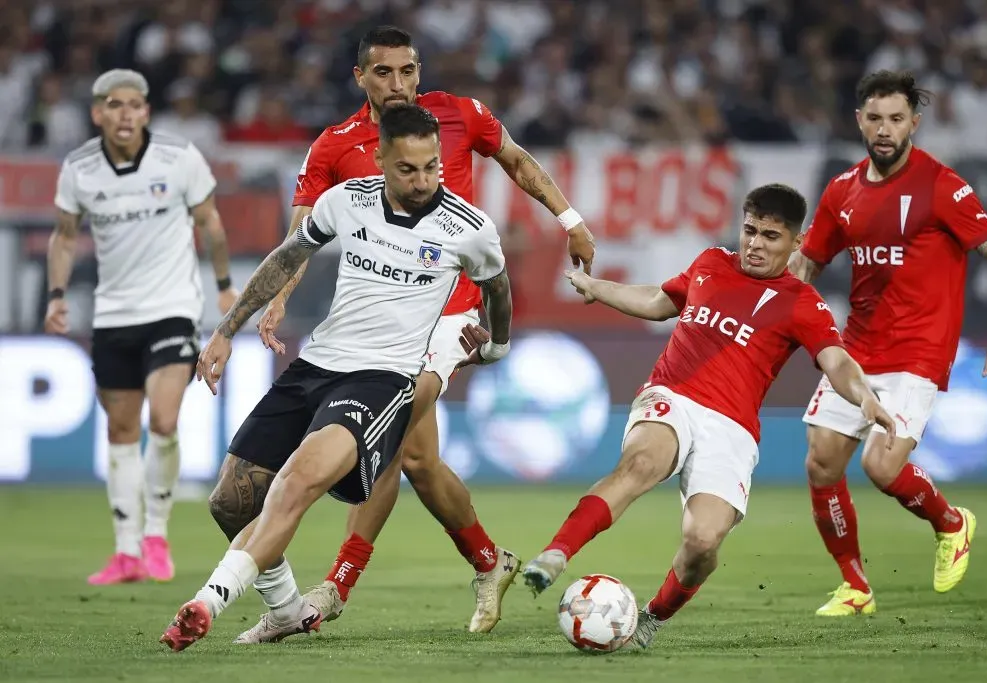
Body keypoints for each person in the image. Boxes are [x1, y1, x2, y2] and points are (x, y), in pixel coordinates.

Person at [240, 25, 596, 638]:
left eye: (409, 71)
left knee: (395, 427)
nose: (399, 83)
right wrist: (278, 300)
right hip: (381, 324)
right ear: (362, 78)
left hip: (452, 314)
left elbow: (516, 159)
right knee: (420, 460)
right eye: (385, 72)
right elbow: (301, 235)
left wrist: (570, 219)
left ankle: (335, 587)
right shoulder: (335, 145)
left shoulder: (459, 115)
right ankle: (491, 562)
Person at [160, 103, 514, 652]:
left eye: (431, 167)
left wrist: (495, 344)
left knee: (297, 479)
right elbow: (284, 258)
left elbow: (498, 289)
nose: (423, 181)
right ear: (380, 159)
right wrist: (227, 328)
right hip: (317, 363)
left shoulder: (467, 227)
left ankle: (206, 602)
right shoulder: (346, 202)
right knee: (231, 501)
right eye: (408, 169)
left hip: (383, 379)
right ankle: (286, 611)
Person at [521, 184, 897, 650]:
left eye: (771, 236)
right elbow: (660, 301)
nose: (756, 243)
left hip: (732, 428)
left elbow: (837, 361)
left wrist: (864, 397)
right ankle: (557, 553)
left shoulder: (803, 303)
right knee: (641, 464)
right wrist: (596, 287)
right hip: (672, 394)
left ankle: (652, 618)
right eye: (750, 230)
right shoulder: (711, 264)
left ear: (796, 243)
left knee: (702, 542)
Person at [788, 70, 987, 616]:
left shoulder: (942, 185)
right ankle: (855, 586)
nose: (885, 129)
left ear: (914, 122)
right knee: (821, 462)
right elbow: (807, 265)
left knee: (880, 466)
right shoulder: (842, 190)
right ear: (860, 122)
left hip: (919, 349)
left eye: (896, 119)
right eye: (875, 119)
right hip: (857, 348)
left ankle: (952, 522)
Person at [45, 69, 237, 585]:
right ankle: (126, 550)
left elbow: (210, 222)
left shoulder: (179, 158)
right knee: (121, 430)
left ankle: (156, 532)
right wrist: (57, 295)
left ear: (146, 112)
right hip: (112, 315)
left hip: (172, 308)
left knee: (165, 421)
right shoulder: (80, 168)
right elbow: (64, 237)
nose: (125, 113)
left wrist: (223, 285)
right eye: (114, 104)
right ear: (98, 113)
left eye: (134, 104)